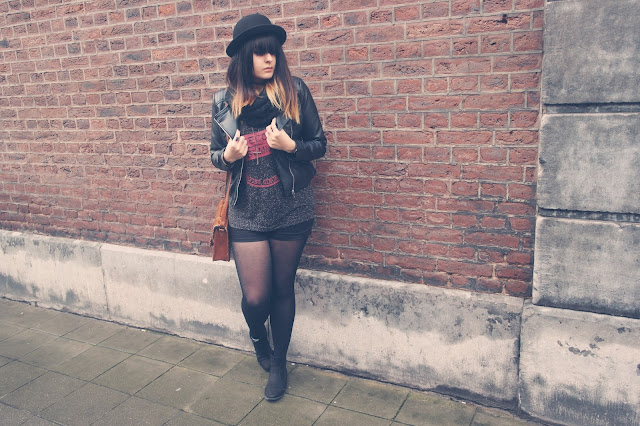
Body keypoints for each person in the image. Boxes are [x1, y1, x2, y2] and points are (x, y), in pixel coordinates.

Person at [209, 13, 327, 402]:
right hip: (247, 210)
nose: (269, 59)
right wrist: (227, 156)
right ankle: (259, 337)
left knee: (281, 289)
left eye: (273, 52)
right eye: (260, 53)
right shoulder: (223, 102)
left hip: (291, 208)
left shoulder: (295, 92)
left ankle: (279, 363)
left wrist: (292, 147)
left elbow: (319, 144)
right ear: (244, 57)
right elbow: (215, 155)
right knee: (256, 297)